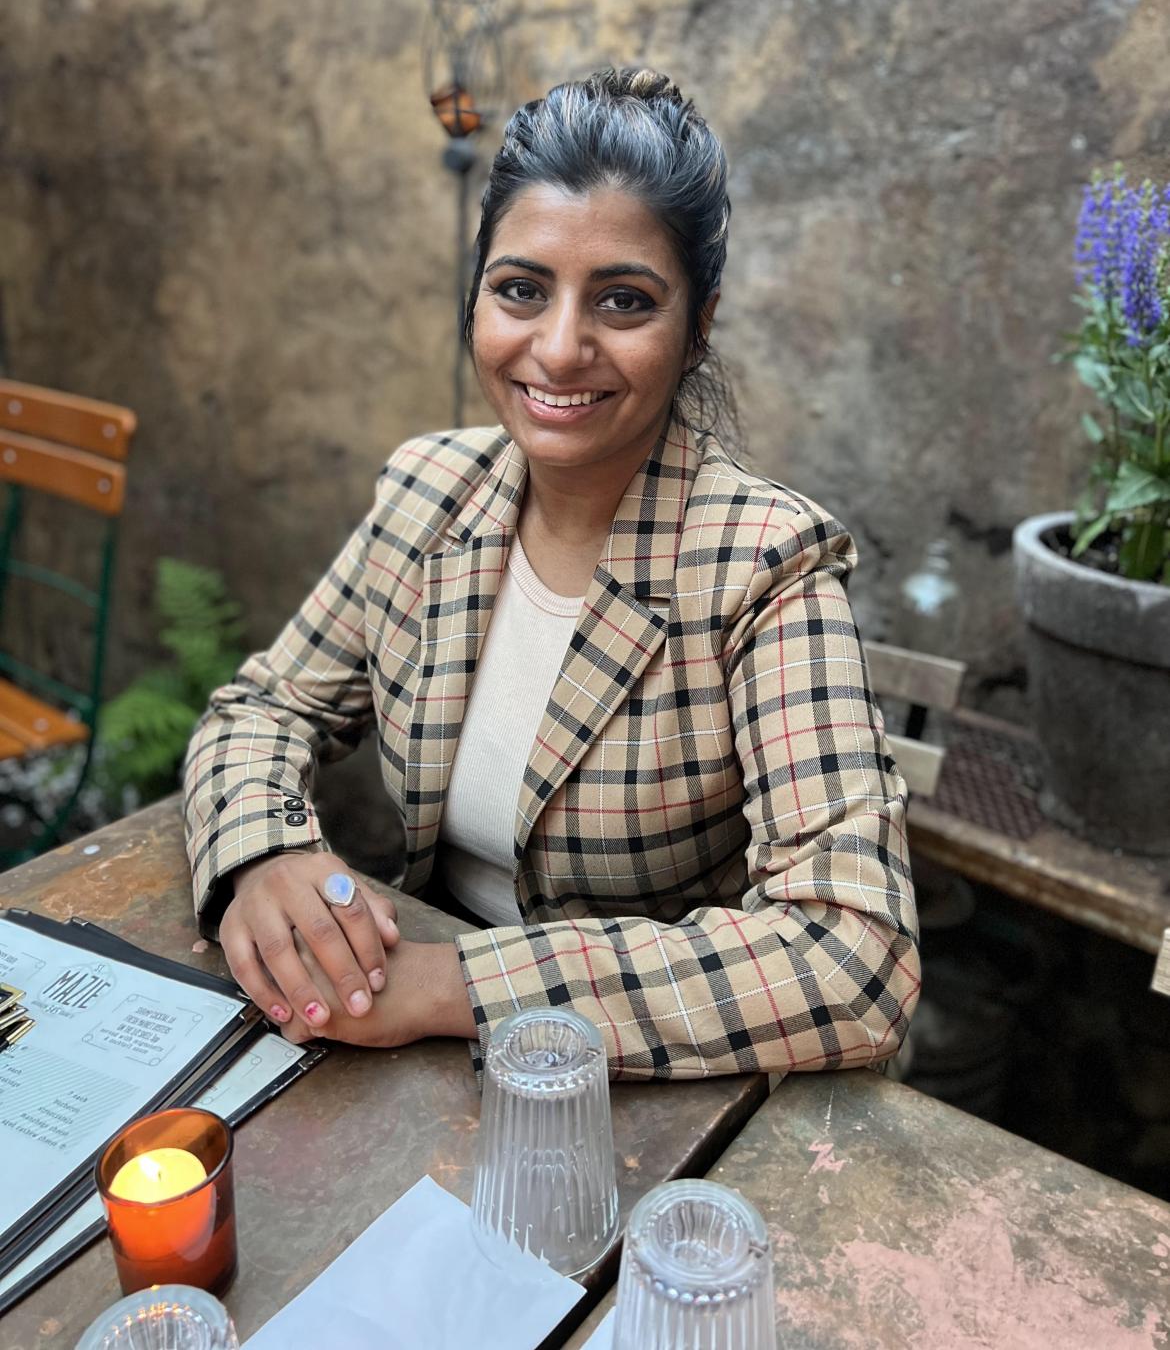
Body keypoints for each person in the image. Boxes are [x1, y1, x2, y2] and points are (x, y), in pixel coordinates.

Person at [183, 67, 919, 1079]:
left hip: (635, 1097)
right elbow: (263, 710)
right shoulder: (426, 495)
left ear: (697, 326)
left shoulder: (762, 566)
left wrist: (452, 986)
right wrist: (267, 852)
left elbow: (853, 956)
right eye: (521, 290)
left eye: (624, 301)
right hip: (409, 1071)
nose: (560, 348)